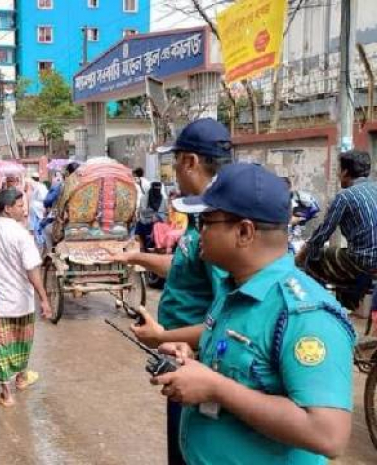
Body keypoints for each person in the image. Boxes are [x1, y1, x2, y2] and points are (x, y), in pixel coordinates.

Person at [155, 163, 355, 464]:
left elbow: (328, 434)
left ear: (244, 232)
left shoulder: (304, 314)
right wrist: (193, 361)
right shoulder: (235, 289)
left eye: (205, 221)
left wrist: (216, 388)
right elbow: (241, 368)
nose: (198, 232)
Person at [111, 118, 233, 465]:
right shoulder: (197, 218)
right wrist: (134, 256)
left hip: (199, 362)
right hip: (180, 354)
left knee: (191, 450)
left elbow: (228, 318)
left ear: (190, 162)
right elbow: (182, 267)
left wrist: (163, 335)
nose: (174, 171)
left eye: (175, 161)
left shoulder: (217, 223)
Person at [0, 188, 53, 407]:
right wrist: (44, 298)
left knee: (3, 346)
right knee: (23, 341)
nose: (24, 210)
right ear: (7, 208)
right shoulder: (21, 235)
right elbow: (32, 270)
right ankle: (16, 384)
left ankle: (10, 390)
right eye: (19, 206)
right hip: (22, 301)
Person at [296, 150, 376, 309]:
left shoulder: (344, 196)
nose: (338, 175)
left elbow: (323, 234)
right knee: (340, 261)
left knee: (313, 258)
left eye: (339, 170)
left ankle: (316, 306)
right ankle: (350, 300)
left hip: (363, 260)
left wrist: (304, 254)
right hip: (366, 260)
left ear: (345, 172)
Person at [135, 181, 167, 248]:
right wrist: (152, 214)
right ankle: (143, 246)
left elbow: (163, 212)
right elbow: (143, 211)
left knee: (158, 226)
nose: (157, 191)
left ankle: (156, 246)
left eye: (158, 189)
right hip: (145, 219)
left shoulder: (162, 199)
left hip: (158, 220)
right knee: (140, 225)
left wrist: (157, 216)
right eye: (155, 189)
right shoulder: (144, 198)